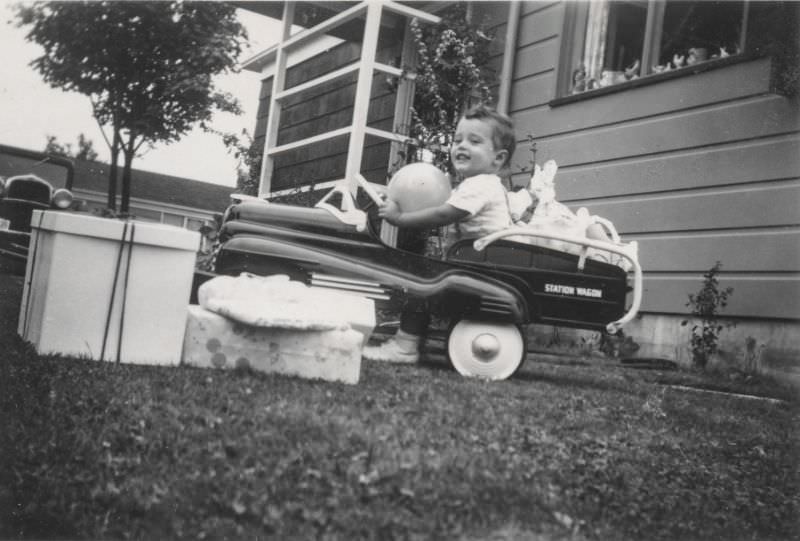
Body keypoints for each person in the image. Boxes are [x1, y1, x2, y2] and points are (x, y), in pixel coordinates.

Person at [362, 104, 517, 363]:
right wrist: (395, 196)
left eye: (474, 141)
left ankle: (405, 347)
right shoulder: (475, 185)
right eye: (457, 140)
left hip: (482, 266)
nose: (462, 146)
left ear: (498, 158)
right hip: (478, 262)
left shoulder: (480, 186)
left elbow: (443, 214)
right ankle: (413, 339)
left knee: (422, 285)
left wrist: (399, 218)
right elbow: (432, 202)